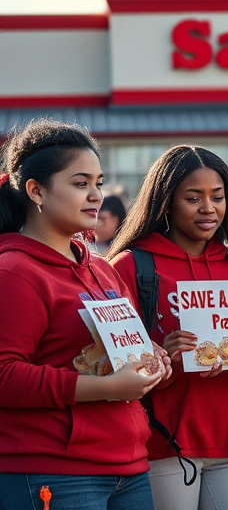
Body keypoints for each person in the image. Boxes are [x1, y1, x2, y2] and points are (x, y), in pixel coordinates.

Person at [0, 118, 171, 509]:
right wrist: (106, 388)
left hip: (129, 466)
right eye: (80, 184)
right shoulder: (14, 271)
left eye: (99, 182)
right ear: (36, 190)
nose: (96, 195)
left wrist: (152, 359)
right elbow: (5, 374)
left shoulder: (102, 268)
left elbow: (119, 352)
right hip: (52, 471)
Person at [108, 146, 228, 510]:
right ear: (165, 203)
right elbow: (113, 370)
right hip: (164, 445)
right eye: (193, 198)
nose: (208, 208)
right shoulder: (130, 267)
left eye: (217, 197)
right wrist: (165, 362)